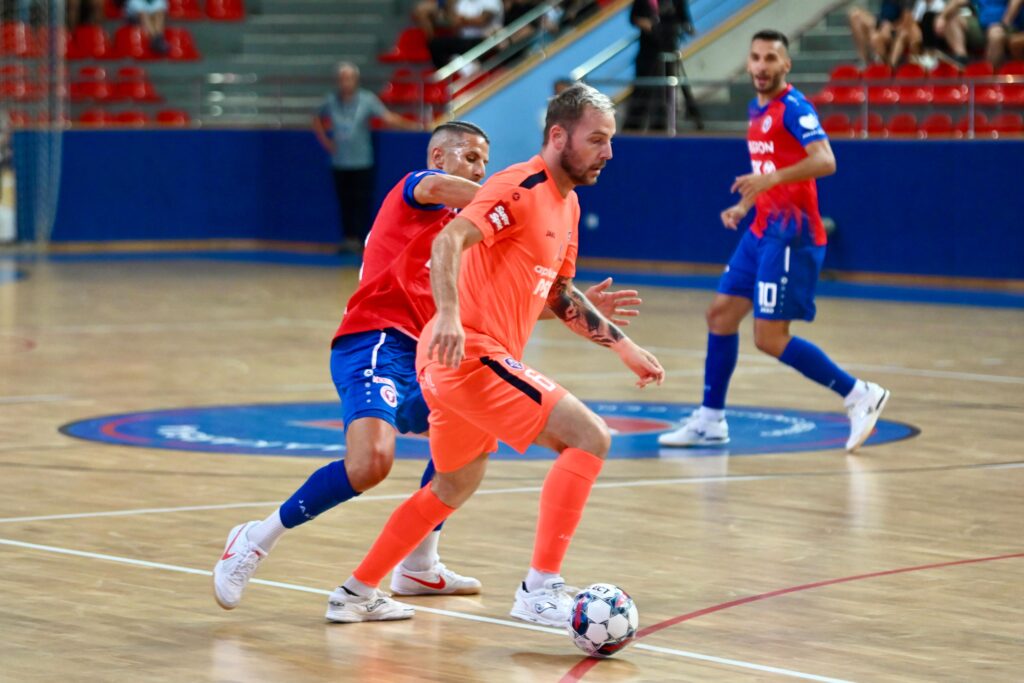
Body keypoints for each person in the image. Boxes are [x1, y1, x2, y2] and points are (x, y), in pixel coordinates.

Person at [213, 119, 644, 611]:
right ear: (439, 157)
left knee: (465, 436)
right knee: (370, 463)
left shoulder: (478, 233)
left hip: (433, 351)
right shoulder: (420, 188)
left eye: (486, 162)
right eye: (471, 158)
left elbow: (514, 298)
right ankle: (255, 537)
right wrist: (517, 197)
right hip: (377, 340)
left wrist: (576, 308)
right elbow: (457, 193)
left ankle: (418, 565)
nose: (480, 169)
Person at [320, 84, 665, 626]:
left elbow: (559, 295)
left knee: (453, 485)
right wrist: (449, 315)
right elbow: (447, 241)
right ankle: (540, 589)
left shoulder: (568, 205)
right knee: (590, 437)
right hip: (467, 354)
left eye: (610, 140)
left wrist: (625, 347)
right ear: (559, 136)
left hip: (467, 360)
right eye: (597, 139)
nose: (608, 152)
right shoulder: (519, 187)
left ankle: (355, 592)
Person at [658, 30, 889, 453]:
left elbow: (826, 160)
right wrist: (745, 205)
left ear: (786, 65)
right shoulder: (756, 108)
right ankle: (710, 420)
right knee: (720, 316)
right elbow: (767, 169)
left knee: (769, 337)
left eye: (770, 58)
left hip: (790, 236)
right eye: (756, 57)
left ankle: (859, 394)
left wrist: (771, 180)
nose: (761, 66)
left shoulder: (794, 108)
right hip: (761, 229)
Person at [312, 62, 421, 255]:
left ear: (356, 79)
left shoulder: (367, 99)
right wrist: (326, 141)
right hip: (340, 161)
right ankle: (347, 239)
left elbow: (387, 117)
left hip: (362, 161)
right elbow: (316, 118)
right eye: (342, 78)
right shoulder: (331, 101)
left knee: (362, 202)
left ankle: (362, 239)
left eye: (349, 78)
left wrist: (413, 126)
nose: (345, 82)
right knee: (344, 201)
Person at [624, 0, 703, 132]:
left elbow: (684, 19)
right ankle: (632, 129)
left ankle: (661, 127)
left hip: (669, 50)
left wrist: (687, 29)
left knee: (666, 92)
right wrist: (648, 25)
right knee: (642, 92)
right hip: (648, 53)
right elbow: (634, 18)